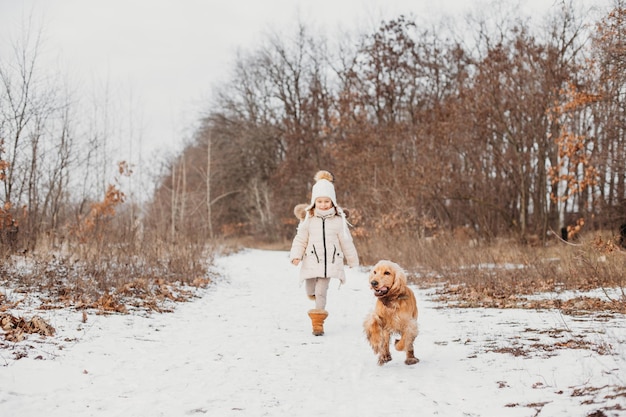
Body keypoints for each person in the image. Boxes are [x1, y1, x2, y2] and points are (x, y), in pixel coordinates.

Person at [289, 170, 359, 336]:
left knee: (322, 291)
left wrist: (352, 260)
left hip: (330, 263)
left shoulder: (338, 220)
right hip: (311, 261)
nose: (323, 204)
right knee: (310, 289)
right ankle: (312, 296)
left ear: (332, 202)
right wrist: (296, 255)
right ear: (314, 202)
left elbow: (346, 242)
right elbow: (300, 239)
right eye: (319, 201)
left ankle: (318, 323)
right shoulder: (308, 220)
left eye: (326, 201)